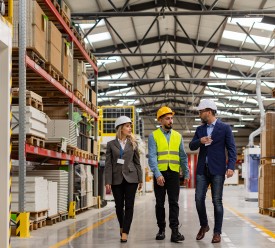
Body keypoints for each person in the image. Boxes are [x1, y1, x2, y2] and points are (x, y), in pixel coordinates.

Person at [189, 99, 237, 243]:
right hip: (202, 170)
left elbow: (231, 149)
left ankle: (217, 232)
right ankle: (204, 225)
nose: (199, 114)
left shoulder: (225, 128)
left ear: (208, 112)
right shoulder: (200, 130)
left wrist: (231, 166)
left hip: (217, 170)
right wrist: (200, 141)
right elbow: (191, 146)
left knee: (217, 201)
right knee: (198, 199)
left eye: (200, 112)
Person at [148, 106, 189, 243]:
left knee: (174, 202)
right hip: (160, 173)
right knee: (160, 203)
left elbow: (182, 156)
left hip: (174, 173)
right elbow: (152, 157)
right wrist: (157, 174)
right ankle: (161, 229)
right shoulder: (153, 136)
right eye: (167, 118)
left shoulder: (178, 136)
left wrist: (187, 173)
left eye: (171, 118)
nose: (171, 121)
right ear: (160, 120)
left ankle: (175, 231)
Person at [105, 116, 143, 243]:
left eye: (130, 126)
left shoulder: (133, 143)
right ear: (120, 128)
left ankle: (125, 231)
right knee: (119, 206)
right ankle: (122, 226)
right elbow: (108, 164)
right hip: (116, 178)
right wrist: (107, 181)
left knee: (129, 206)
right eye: (127, 126)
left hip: (131, 178)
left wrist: (140, 179)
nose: (130, 128)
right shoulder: (111, 144)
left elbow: (137, 163)